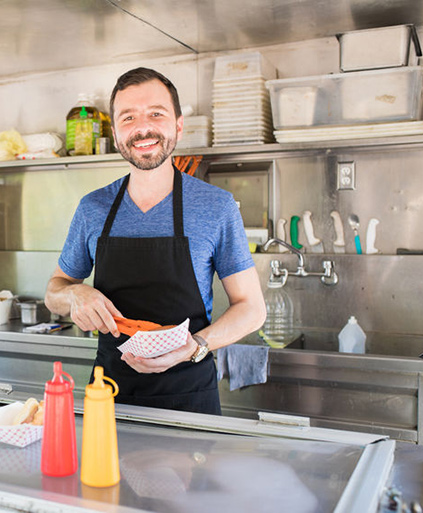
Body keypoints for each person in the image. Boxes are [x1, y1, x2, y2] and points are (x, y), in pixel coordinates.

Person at [44, 67, 266, 414]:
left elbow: (252, 308)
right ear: (116, 134)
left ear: (178, 124)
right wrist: (74, 292)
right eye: (128, 117)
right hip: (109, 398)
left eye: (156, 114)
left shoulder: (215, 206)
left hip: (189, 396)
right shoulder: (93, 208)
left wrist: (196, 345)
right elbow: (54, 291)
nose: (142, 128)